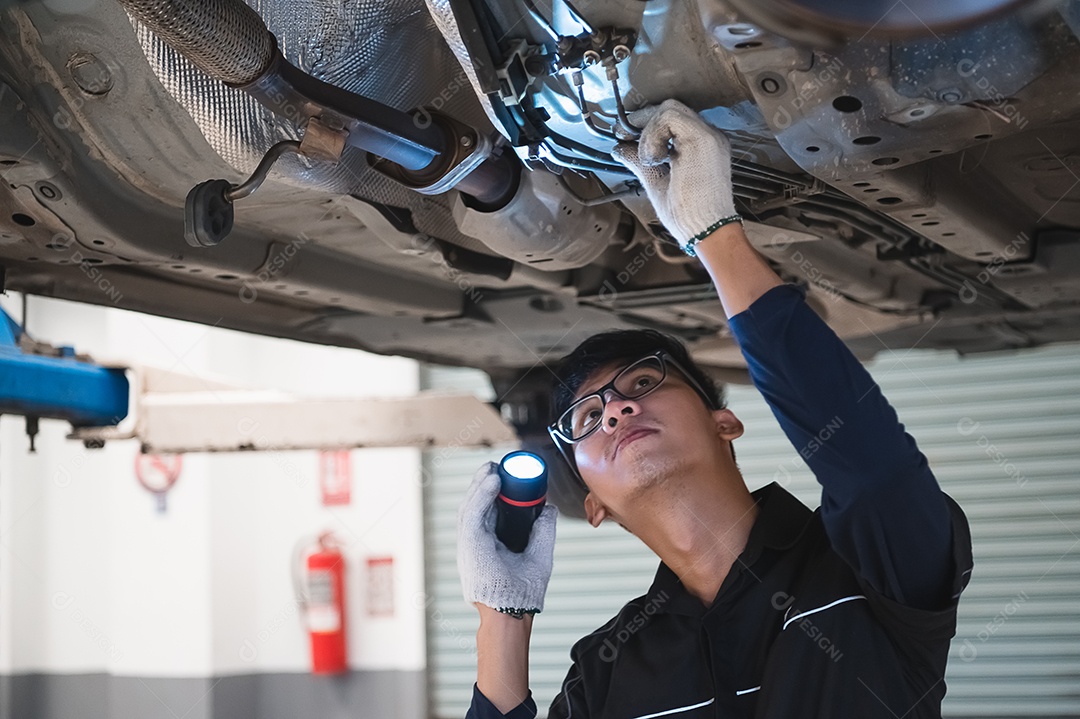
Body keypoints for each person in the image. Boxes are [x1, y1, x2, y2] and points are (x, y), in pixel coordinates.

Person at [456, 100, 973, 718]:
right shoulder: (606, 671)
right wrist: (502, 618)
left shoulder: (861, 570)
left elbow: (869, 462)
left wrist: (716, 236)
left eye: (643, 382)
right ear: (593, 503)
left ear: (724, 423)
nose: (616, 408)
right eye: (587, 420)